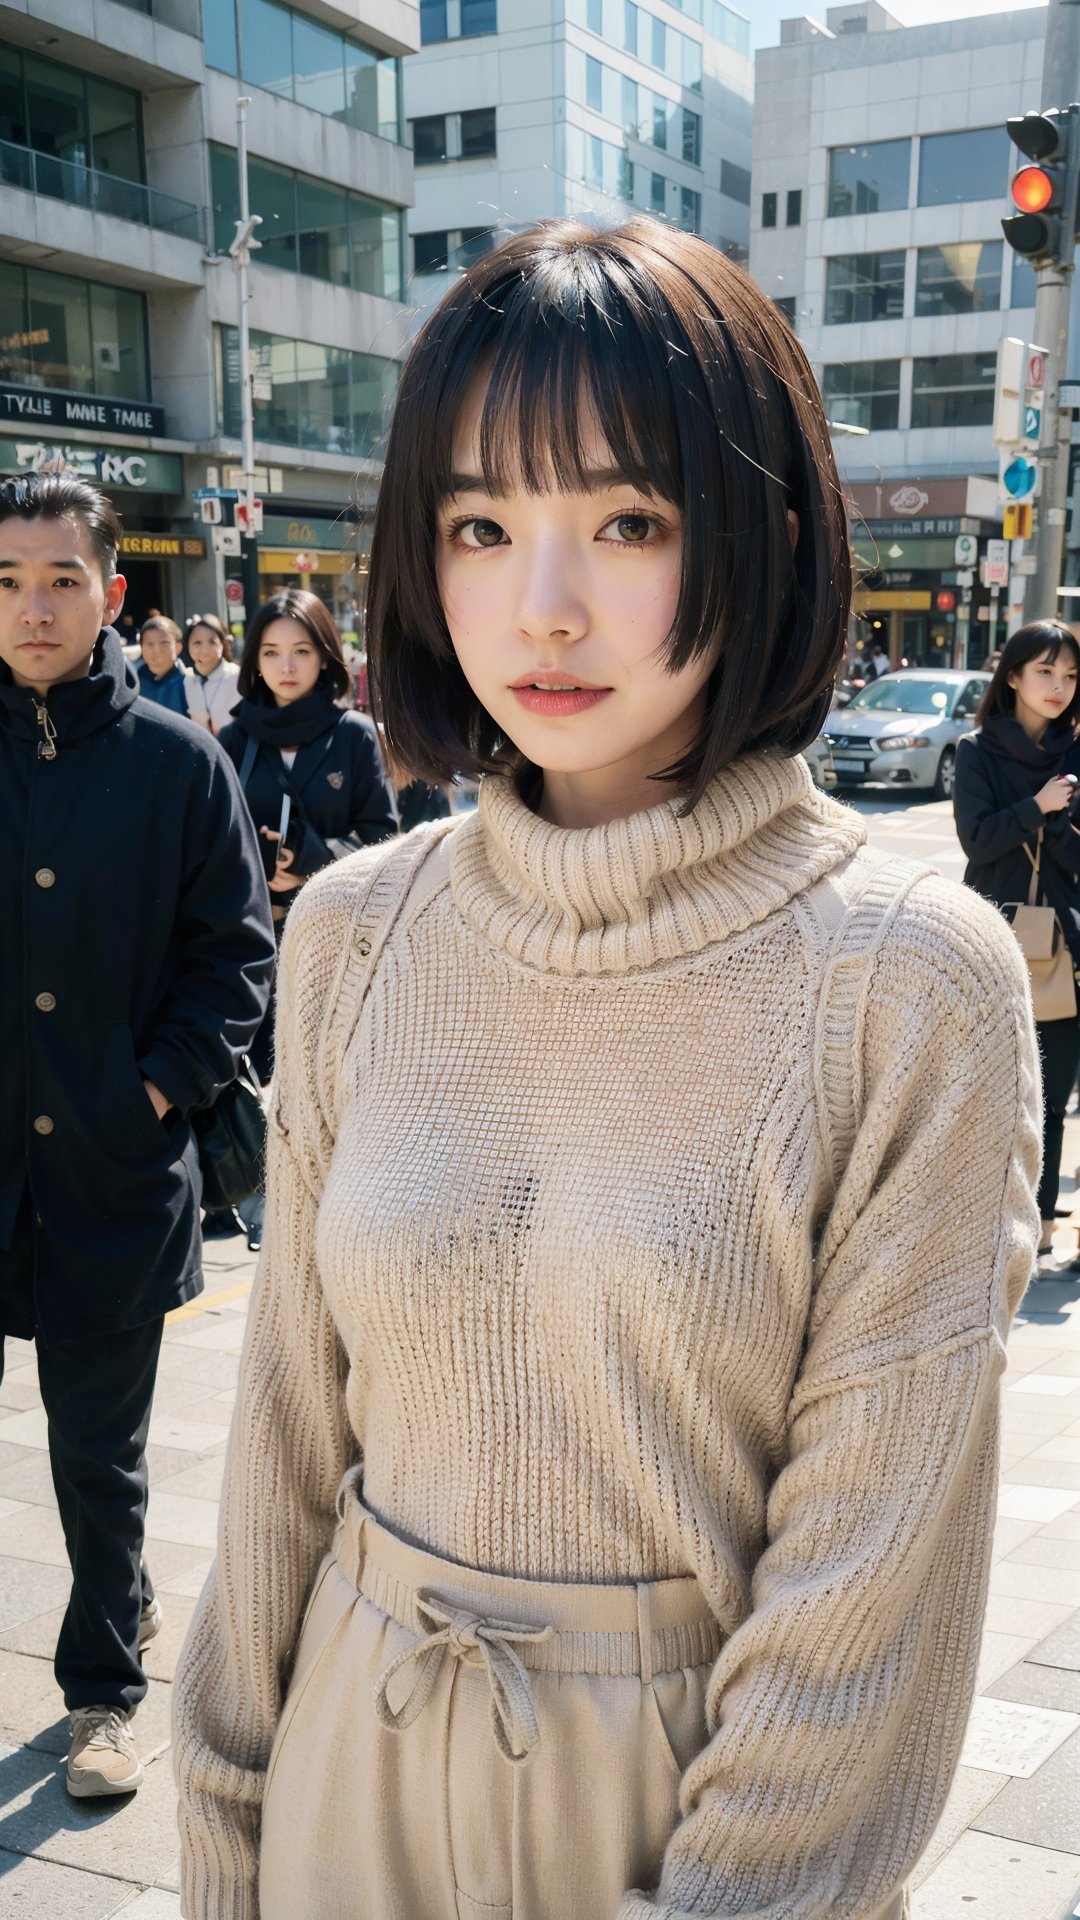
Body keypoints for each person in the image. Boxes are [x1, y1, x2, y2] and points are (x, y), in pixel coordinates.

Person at [174, 220, 1039, 1920]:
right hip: (350, 1759)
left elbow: (863, 1600)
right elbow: (283, 1432)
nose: (546, 606)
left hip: (676, 1813)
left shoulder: (907, 983)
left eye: (630, 520)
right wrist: (224, 1836)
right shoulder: (360, 932)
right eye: (482, 525)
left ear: (764, 537)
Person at [0, 473, 275, 1803]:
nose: (32, 607)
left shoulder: (180, 762)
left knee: (95, 1455)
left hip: (113, 1166)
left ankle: (103, 1691)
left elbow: (236, 959)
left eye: (59, 579)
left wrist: (153, 1090)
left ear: (112, 595)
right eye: (5, 581)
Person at [216, 587, 397, 1230]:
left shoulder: (351, 736)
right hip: (251, 936)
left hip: (337, 940)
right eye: (271, 652)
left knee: (329, 1079)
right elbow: (207, 840)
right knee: (258, 1074)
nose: (286, 666)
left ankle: (340, 1204)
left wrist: (311, 862)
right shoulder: (233, 739)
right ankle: (268, 1202)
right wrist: (252, 868)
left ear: (325, 657)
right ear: (254, 661)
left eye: (301, 651)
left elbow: (384, 836)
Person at [954, 619, 1080, 1271]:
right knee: (989, 1091)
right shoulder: (977, 753)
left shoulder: (1077, 754)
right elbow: (977, 842)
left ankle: (1043, 1224)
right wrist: (1038, 807)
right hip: (990, 937)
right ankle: (981, 1220)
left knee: (1052, 1097)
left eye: (1070, 676)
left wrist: (1053, 825)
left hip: (1064, 944)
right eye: (1045, 672)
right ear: (1012, 677)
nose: (1058, 687)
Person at [183, 612, 240, 735]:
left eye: (212, 642)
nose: (204, 650)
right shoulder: (188, 681)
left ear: (222, 644)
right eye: (197, 643)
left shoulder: (237, 676)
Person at [137, 614, 189, 713]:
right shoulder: (133, 682)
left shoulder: (188, 683)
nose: (157, 651)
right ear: (142, 648)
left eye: (164, 643)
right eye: (150, 644)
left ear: (178, 648)